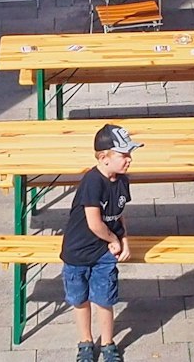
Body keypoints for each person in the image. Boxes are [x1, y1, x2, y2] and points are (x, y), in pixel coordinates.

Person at [62, 123, 137, 362]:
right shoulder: (92, 182)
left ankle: (107, 343)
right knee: (80, 300)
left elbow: (119, 214)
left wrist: (124, 239)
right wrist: (114, 239)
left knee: (105, 299)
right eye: (124, 155)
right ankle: (85, 341)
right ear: (104, 157)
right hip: (78, 252)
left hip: (105, 251)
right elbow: (95, 223)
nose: (129, 160)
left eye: (130, 154)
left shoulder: (122, 180)